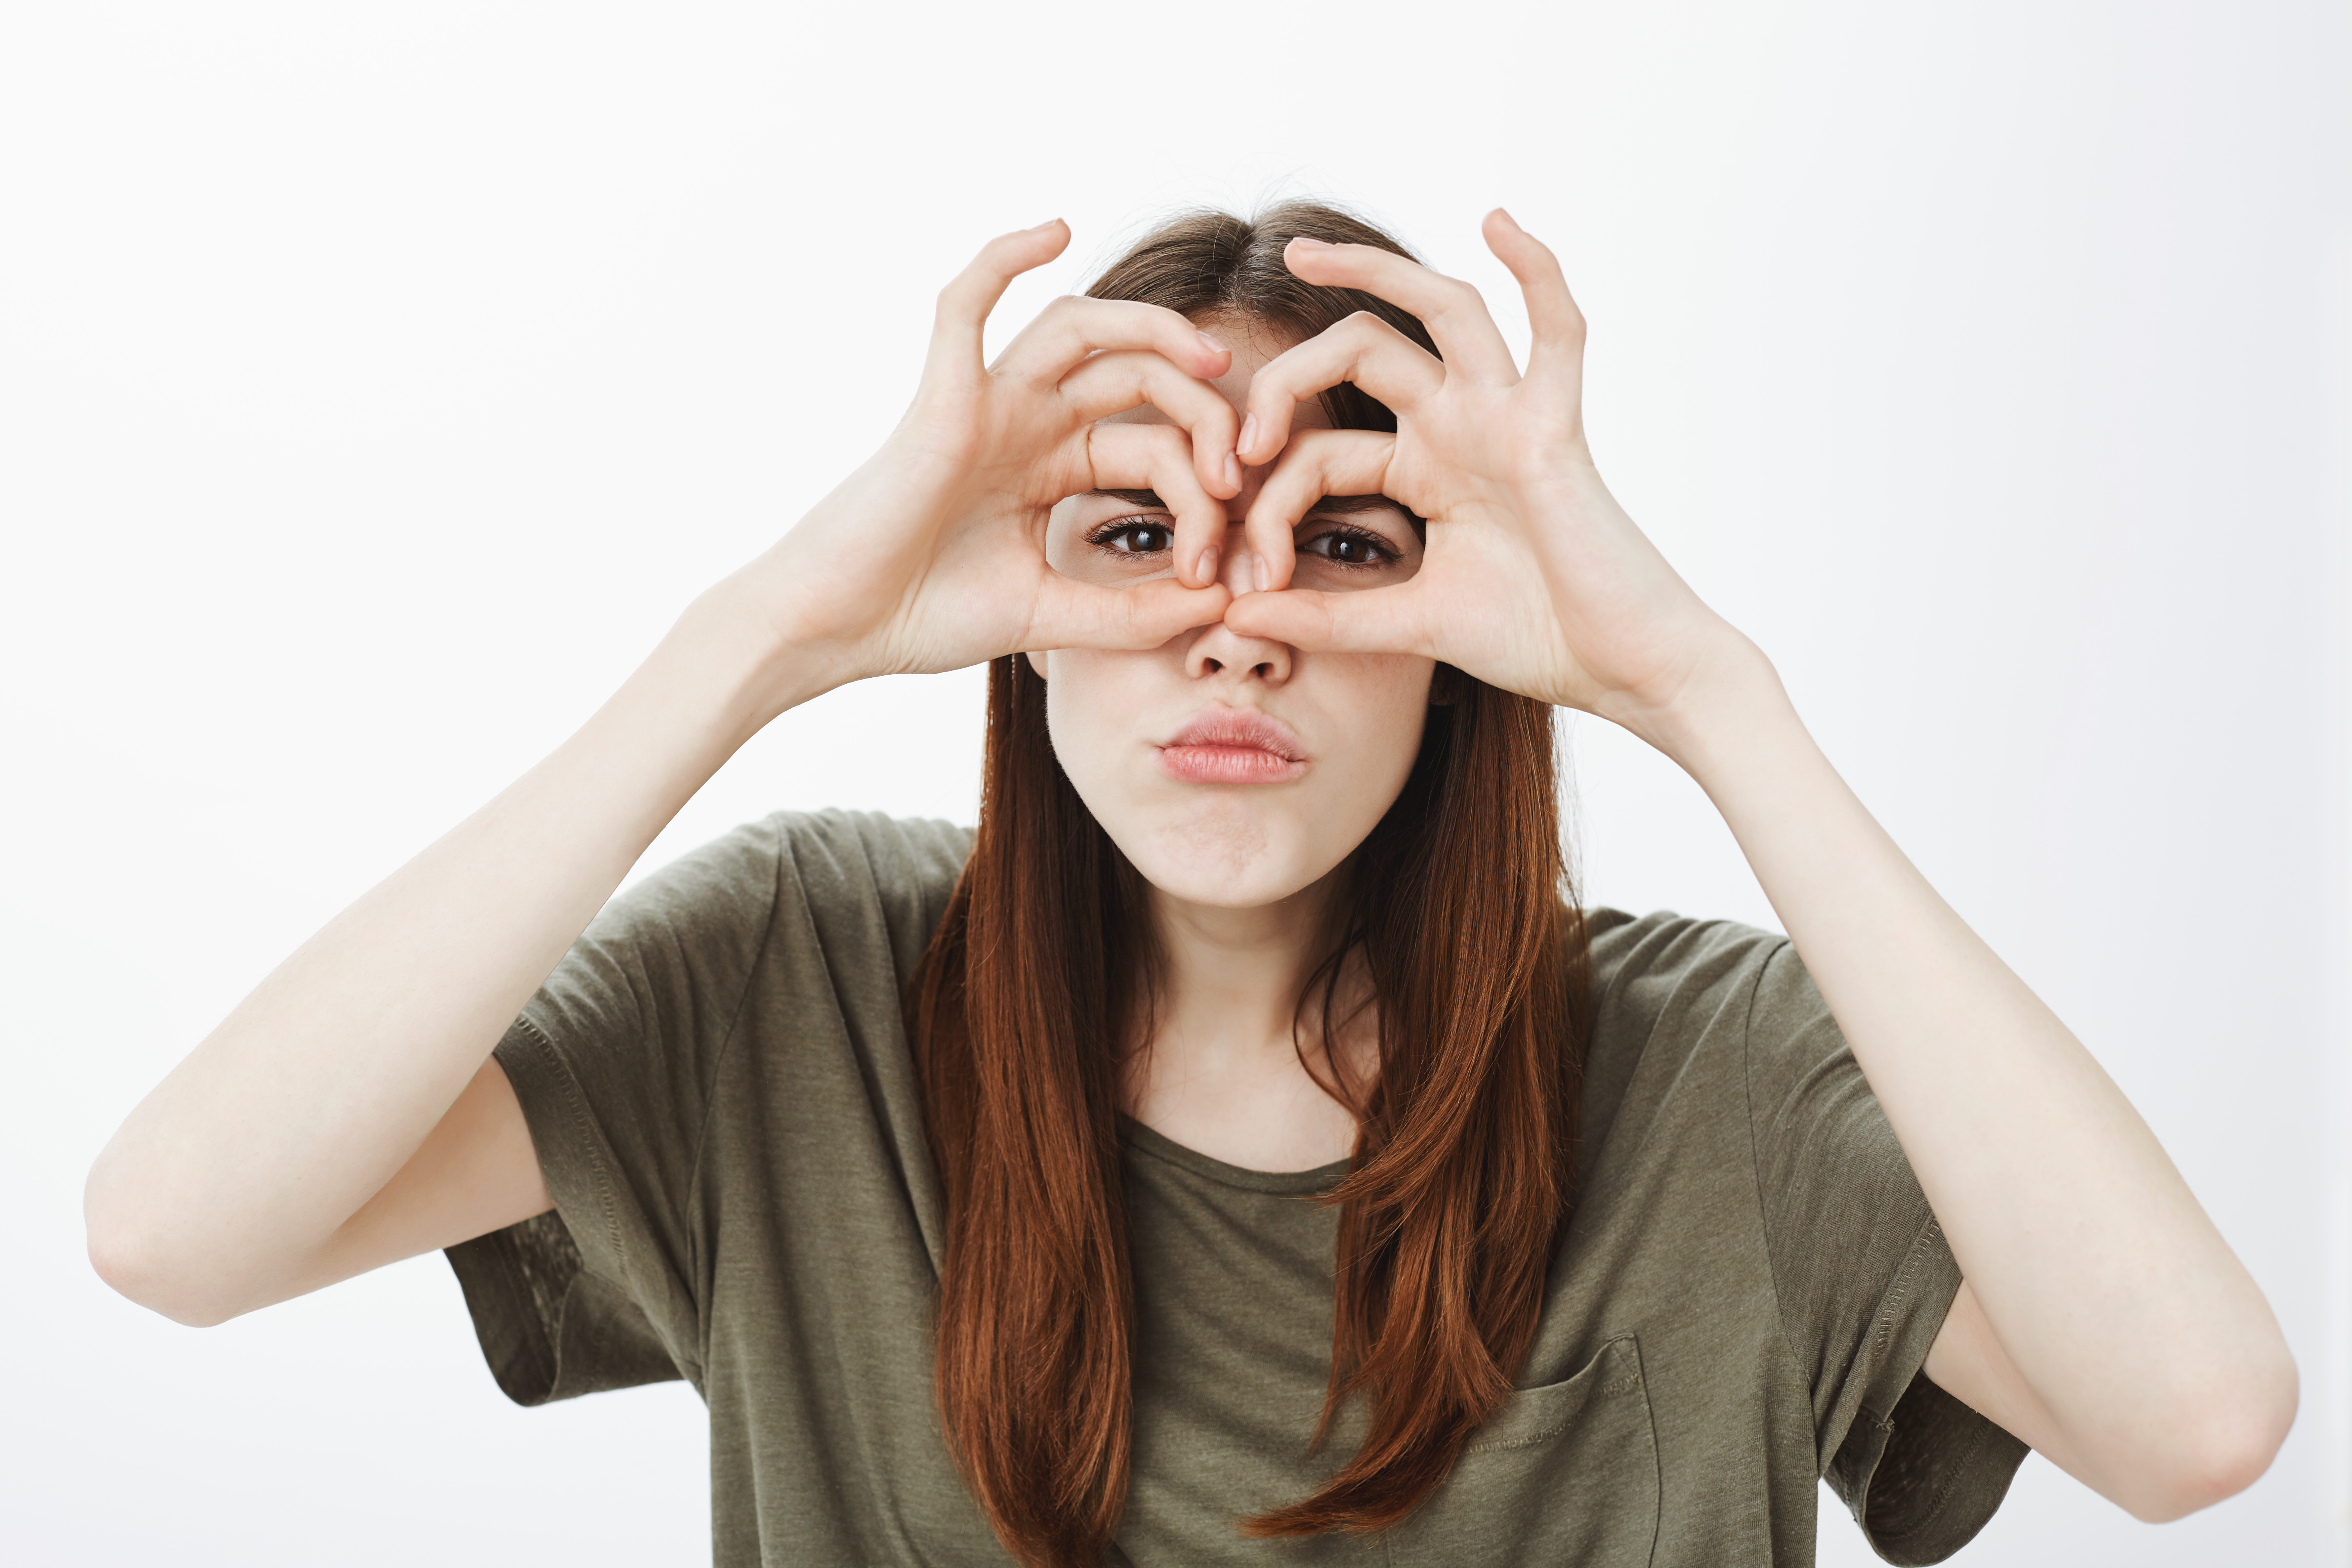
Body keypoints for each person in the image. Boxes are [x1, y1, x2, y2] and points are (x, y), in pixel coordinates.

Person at [84, 201, 2296, 1567]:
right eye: (1136, 537)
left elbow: (2193, 1427)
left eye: (1342, 546)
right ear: (1019, 611)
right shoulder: (797, 989)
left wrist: (1704, 691)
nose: (1232, 626)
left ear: (1454, 639)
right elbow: (179, 1233)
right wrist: (761, 640)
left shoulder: (1710, 1074)